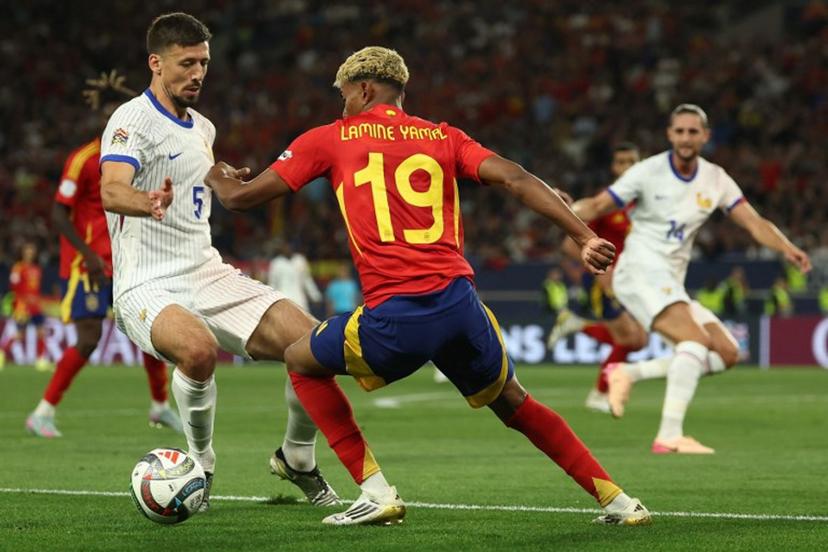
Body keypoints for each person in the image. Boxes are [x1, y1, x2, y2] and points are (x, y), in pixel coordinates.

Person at [205, 46, 650, 527]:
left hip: (398, 313)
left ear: (365, 89)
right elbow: (516, 178)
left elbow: (240, 199)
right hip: (460, 305)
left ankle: (374, 490)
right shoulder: (444, 136)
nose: (342, 106)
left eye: (344, 95)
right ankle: (619, 501)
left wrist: (216, 175)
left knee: (300, 359)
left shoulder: (331, 138)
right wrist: (583, 236)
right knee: (514, 401)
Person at [98, 12, 338, 511]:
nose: (198, 73)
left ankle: (297, 456)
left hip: (206, 271)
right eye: (186, 63)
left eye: (203, 63)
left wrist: (218, 174)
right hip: (146, 281)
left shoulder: (203, 126)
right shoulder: (130, 119)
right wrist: (147, 202)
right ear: (156, 63)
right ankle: (200, 466)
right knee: (199, 350)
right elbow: (111, 188)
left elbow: (192, 177)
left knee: (316, 346)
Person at [574, 104, 811, 453]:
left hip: (670, 280)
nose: (686, 138)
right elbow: (595, 206)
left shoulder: (715, 178)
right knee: (696, 343)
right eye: (679, 131)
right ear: (670, 135)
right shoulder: (647, 171)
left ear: (705, 136)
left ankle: (628, 373)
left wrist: (786, 246)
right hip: (639, 270)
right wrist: (562, 208)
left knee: (728, 352)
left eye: (693, 132)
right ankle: (669, 434)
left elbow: (753, 222)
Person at [25, 70, 183, 439]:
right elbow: (56, 213)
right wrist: (88, 255)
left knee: (149, 330)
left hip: (126, 259)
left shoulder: (134, 158)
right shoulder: (84, 159)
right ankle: (42, 413)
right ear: (103, 119)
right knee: (89, 338)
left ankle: (159, 406)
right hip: (89, 264)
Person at [547, 143, 648, 413]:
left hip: (632, 279)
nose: (626, 167)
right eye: (621, 162)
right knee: (629, 339)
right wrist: (602, 271)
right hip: (605, 280)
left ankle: (578, 324)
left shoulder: (645, 203)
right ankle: (599, 393)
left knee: (639, 340)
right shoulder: (605, 203)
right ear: (613, 168)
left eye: (632, 161)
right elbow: (571, 246)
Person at [1, 242, 50, 371]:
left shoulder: (37, 269)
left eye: (32, 251)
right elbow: (14, 288)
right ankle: (1, 354)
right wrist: (19, 303)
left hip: (35, 307)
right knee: (19, 334)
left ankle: (41, 360)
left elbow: (36, 289)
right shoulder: (18, 268)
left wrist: (39, 302)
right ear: (23, 252)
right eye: (27, 251)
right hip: (23, 307)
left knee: (41, 332)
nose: (30, 253)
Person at [267, 241, 322, 313]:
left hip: (300, 299)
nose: (288, 249)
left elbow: (307, 280)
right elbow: (272, 283)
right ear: (282, 249)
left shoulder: (300, 260)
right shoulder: (276, 263)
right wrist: (271, 300)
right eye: (285, 248)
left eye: (289, 247)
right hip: (283, 299)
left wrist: (315, 296)